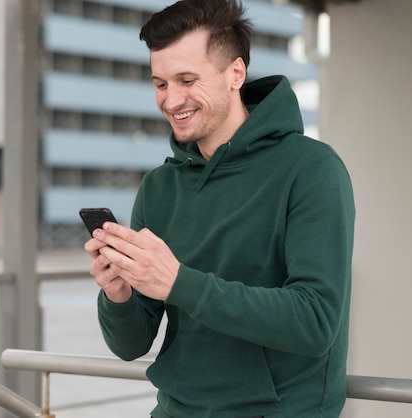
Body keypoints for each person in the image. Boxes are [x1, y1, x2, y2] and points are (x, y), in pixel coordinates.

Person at [83, 0, 355, 416]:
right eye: (160, 84)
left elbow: (316, 322)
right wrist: (118, 295)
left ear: (236, 73)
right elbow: (130, 345)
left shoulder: (312, 170)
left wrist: (181, 284)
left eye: (187, 80)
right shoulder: (159, 187)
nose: (172, 100)